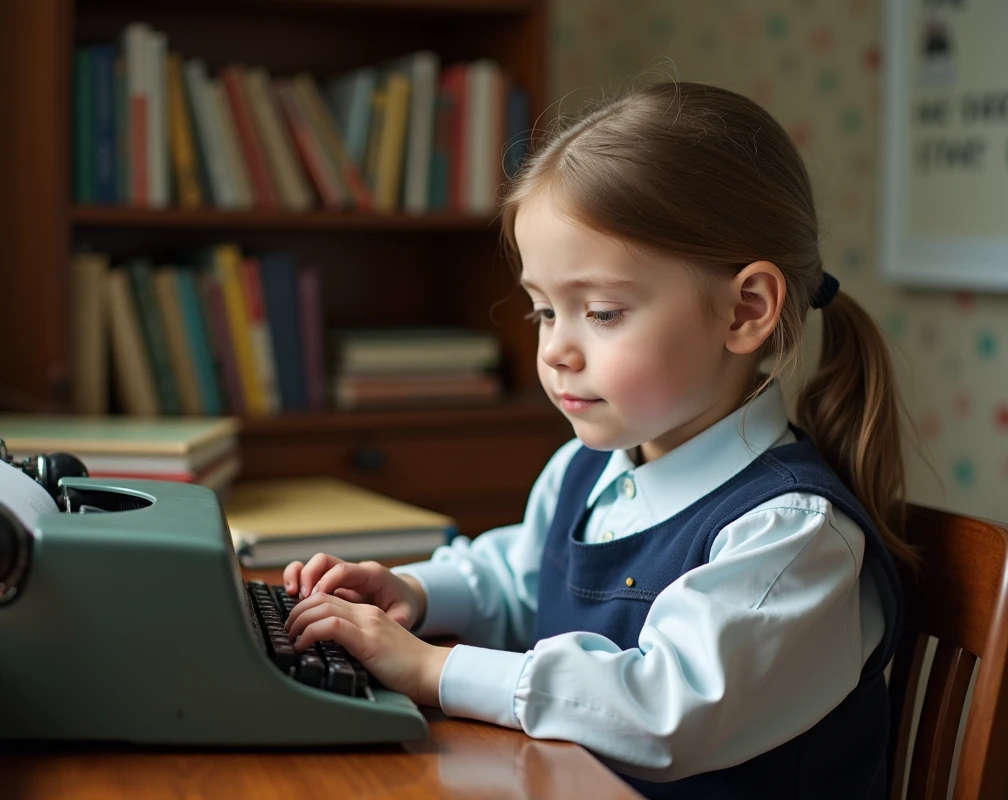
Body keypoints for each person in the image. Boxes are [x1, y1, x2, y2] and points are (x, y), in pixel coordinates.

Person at [282, 81, 909, 799]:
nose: (555, 350)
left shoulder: (790, 536)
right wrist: (417, 592)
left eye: (602, 313)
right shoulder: (589, 469)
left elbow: (664, 711)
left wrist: (432, 670)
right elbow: (522, 580)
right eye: (544, 311)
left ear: (746, 311)